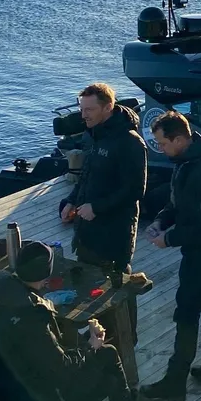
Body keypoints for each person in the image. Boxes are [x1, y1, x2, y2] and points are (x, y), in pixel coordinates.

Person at [0, 241, 164, 401]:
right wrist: (90, 345)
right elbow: (62, 368)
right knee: (106, 359)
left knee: (105, 358)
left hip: (2, 374)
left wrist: (84, 343)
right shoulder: (31, 314)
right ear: (46, 276)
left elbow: (39, 349)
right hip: (28, 391)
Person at [141, 111, 201, 401]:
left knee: (187, 311)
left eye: (163, 143)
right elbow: (177, 203)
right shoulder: (186, 160)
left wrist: (168, 239)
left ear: (179, 139)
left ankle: (175, 381)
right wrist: (160, 221)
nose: (161, 149)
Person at [61, 83, 147, 345]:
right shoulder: (94, 135)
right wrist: (70, 201)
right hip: (87, 229)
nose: (83, 115)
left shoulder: (130, 142)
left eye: (89, 109)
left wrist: (97, 208)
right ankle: (101, 332)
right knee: (91, 283)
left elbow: (135, 189)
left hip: (115, 232)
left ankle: (126, 338)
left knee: (117, 285)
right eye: (81, 108)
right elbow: (86, 177)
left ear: (108, 107)